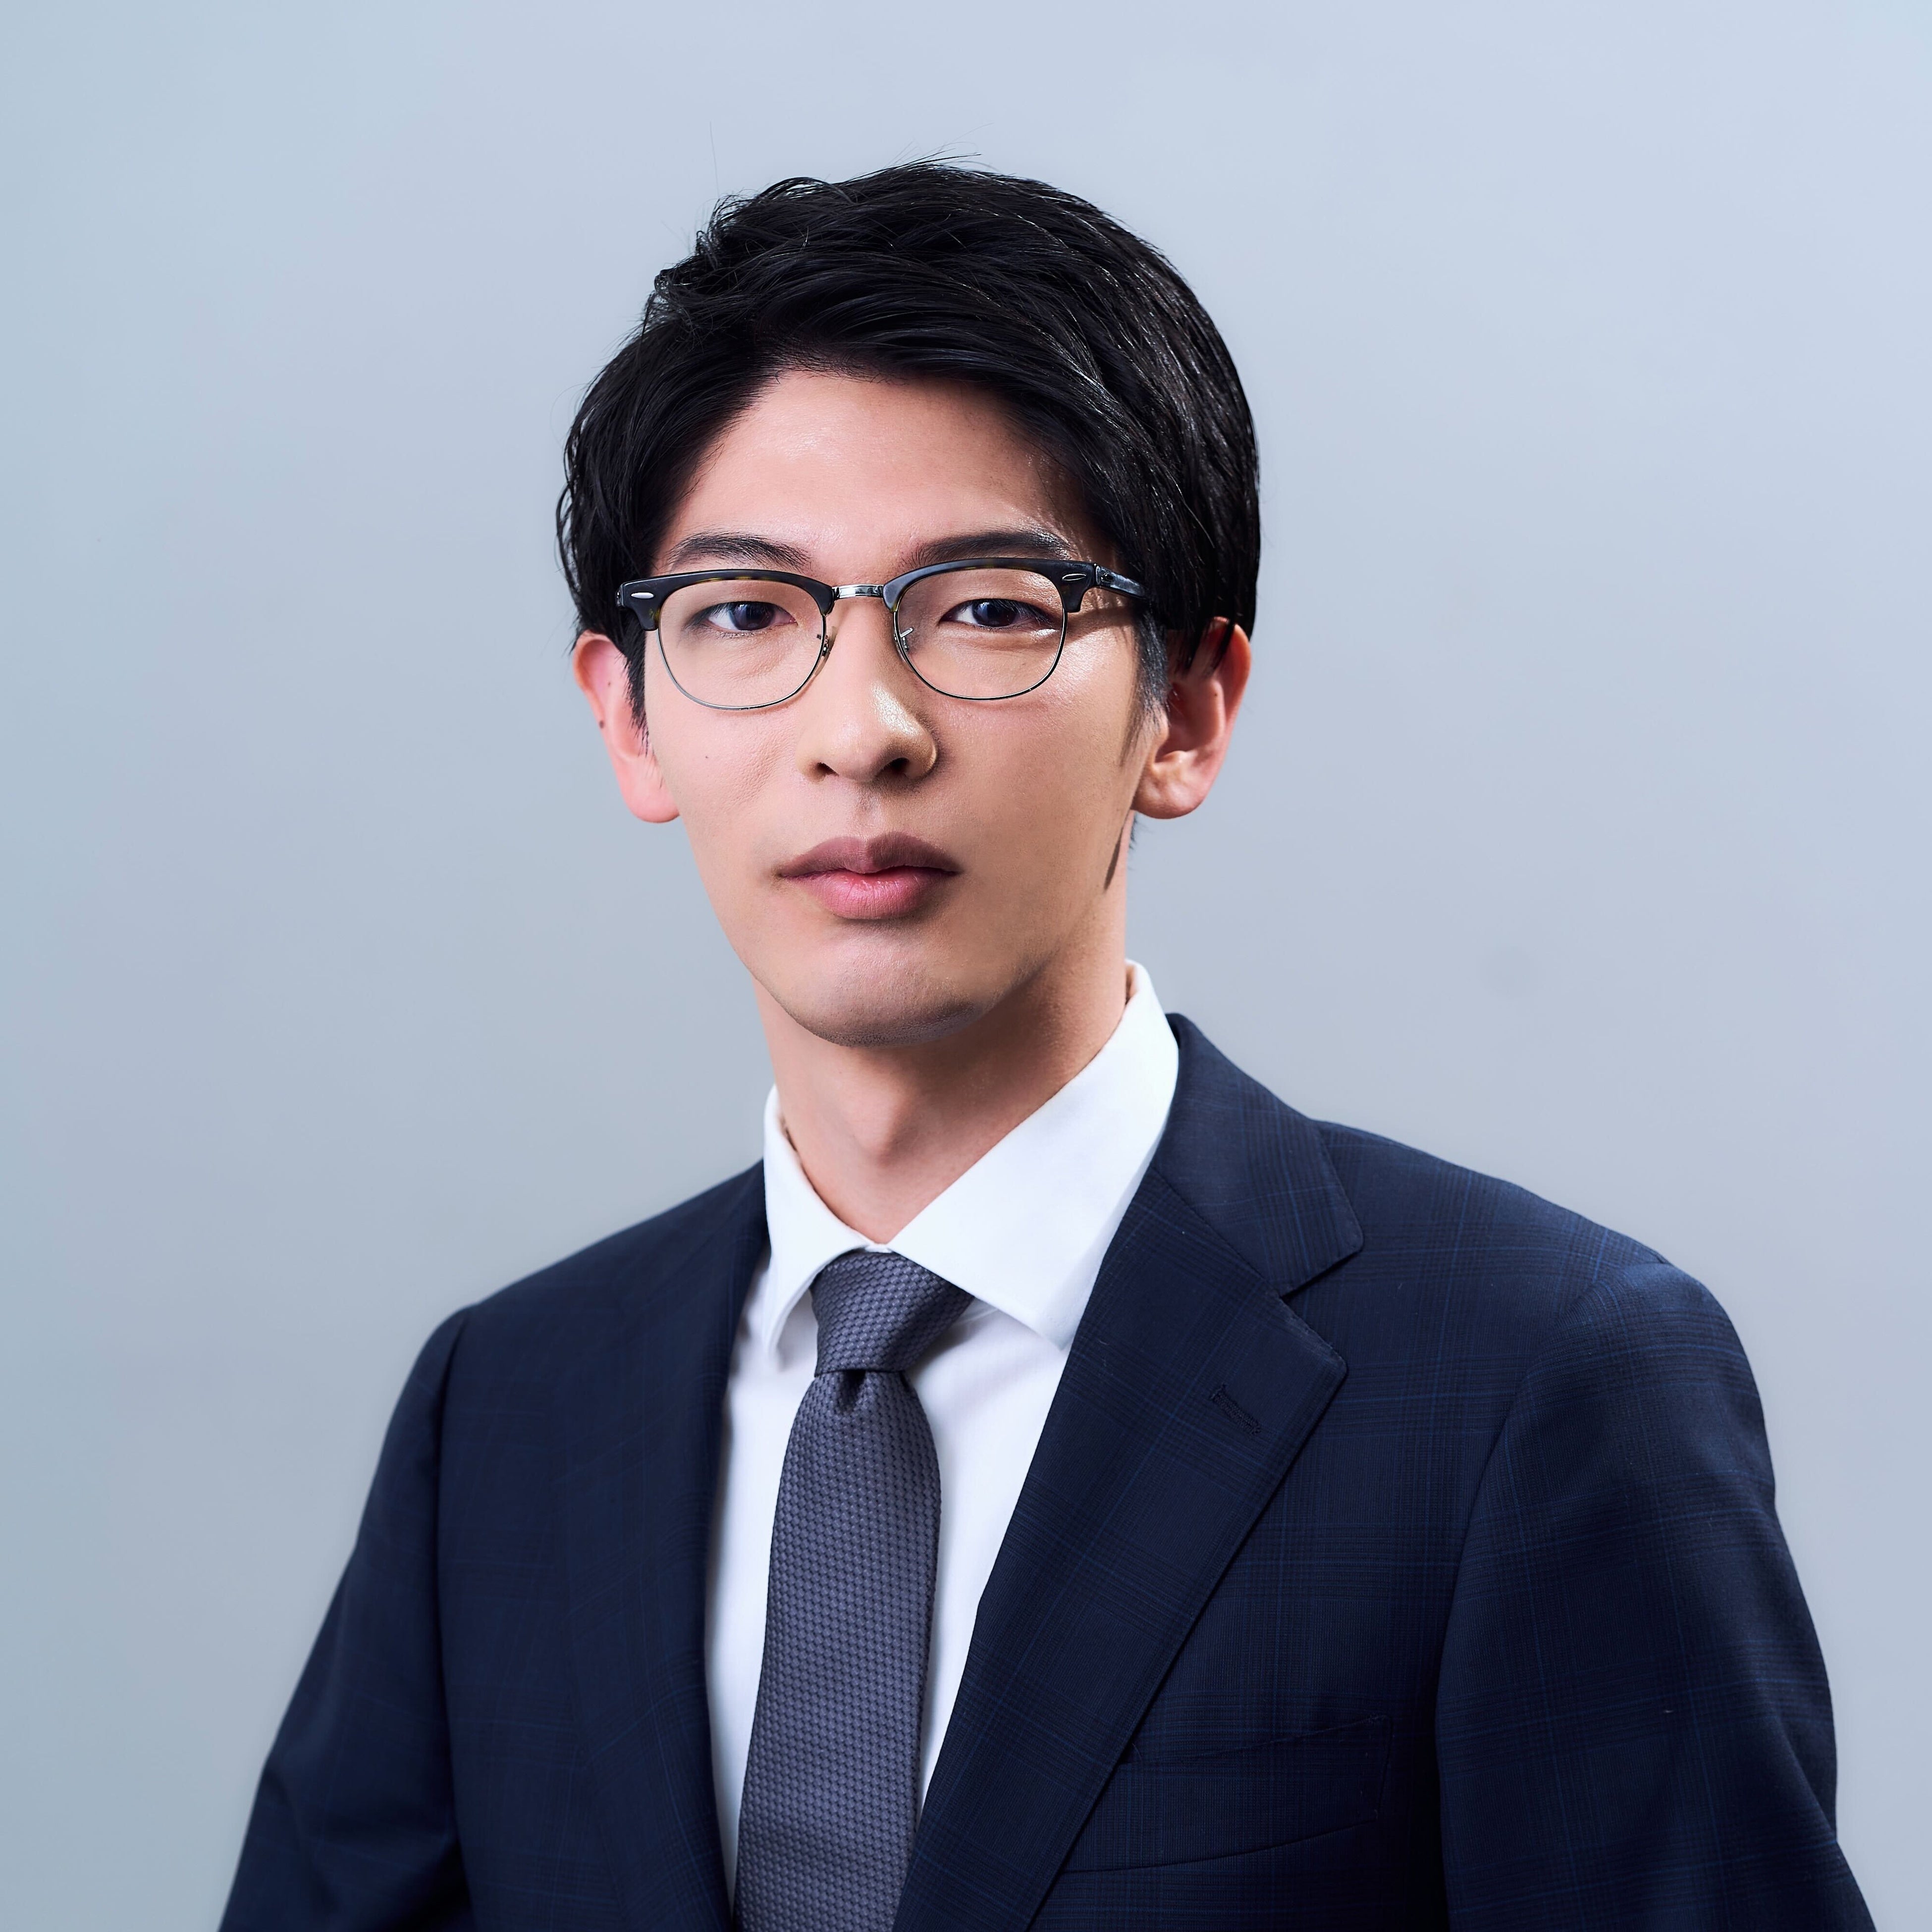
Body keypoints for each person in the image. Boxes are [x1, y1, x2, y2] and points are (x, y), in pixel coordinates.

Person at [220, 163, 1871, 1931]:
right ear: (627, 720)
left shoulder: (1535, 1380)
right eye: (746, 613)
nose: (862, 728)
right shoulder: (510, 1409)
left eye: (992, 607)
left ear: (1188, 708)